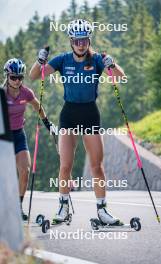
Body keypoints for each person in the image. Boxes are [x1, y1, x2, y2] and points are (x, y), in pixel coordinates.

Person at [29, 19, 125, 226]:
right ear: (71, 41)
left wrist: (112, 64)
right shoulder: (63, 60)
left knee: (96, 166)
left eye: (84, 40)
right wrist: (40, 60)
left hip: (90, 113)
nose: (81, 44)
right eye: (77, 40)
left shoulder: (98, 59)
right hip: (69, 114)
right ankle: (63, 208)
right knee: (65, 166)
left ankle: (102, 210)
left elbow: (120, 76)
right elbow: (35, 76)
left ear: (89, 40)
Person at [3, 58, 52, 220]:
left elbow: (38, 106)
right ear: (7, 76)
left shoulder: (26, 93)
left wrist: (47, 124)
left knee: (25, 170)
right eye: (13, 77)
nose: (17, 81)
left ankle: (17, 208)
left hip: (18, 134)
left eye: (20, 77)